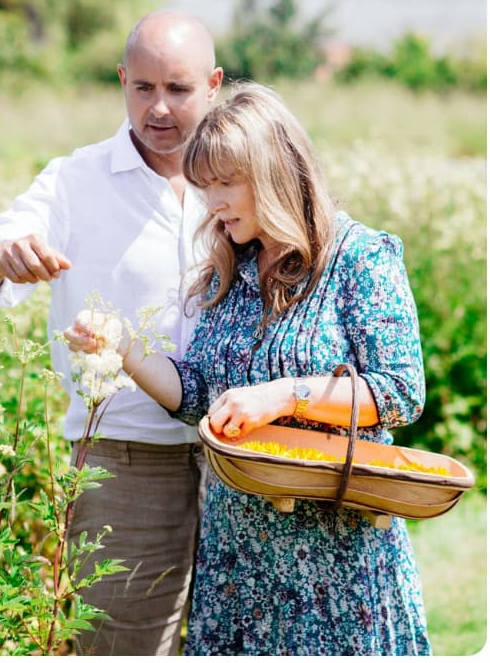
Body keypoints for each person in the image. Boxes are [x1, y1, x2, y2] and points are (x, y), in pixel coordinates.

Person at [65, 81, 431, 655]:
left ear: (276, 173)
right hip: (238, 559)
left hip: (334, 557)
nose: (211, 203)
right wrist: (124, 350)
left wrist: (283, 396)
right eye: (203, 185)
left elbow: (400, 392)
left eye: (225, 184)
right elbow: (196, 396)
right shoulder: (227, 272)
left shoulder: (359, 258)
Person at [0, 10, 224, 655]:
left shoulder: (238, 178)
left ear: (213, 85)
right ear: (121, 79)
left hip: (240, 466)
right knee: (124, 647)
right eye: (142, 87)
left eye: (178, 89)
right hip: (126, 463)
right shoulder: (76, 180)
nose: (158, 107)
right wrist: (4, 256)